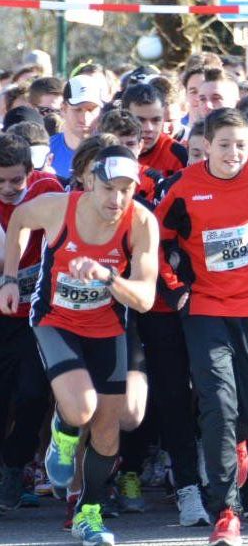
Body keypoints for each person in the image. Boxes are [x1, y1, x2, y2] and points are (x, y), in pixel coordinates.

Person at [154, 108, 248, 546]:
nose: (233, 153)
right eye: (224, 145)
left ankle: (238, 441)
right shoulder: (183, 187)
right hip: (204, 309)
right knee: (217, 404)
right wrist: (174, 288)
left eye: (240, 145)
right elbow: (155, 240)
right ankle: (226, 511)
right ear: (206, 145)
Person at [0, 145, 158, 546]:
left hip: (107, 326)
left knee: (107, 429)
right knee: (82, 407)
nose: (116, 199)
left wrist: (107, 277)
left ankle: (89, 513)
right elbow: (19, 219)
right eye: (108, 188)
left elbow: (144, 298)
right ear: (89, 182)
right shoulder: (58, 207)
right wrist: (9, 278)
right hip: (56, 320)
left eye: (126, 189)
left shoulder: (142, 222)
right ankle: (64, 431)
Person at [0, 134, 63, 511]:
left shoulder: (48, 190)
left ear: (30, 172)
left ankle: (15, 465)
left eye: (16, 180)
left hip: (35, 317)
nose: (8, 188)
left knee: (33, 394)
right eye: (0, 181)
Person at [122, 83, 187, 176]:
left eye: (156, 120)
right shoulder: (107, 148)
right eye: (140, 120)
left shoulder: (178, 155)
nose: (149, 128)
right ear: (124, 117)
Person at [49, 74, 106, 181]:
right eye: (78, 110)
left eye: (91, 110)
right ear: (63, 109)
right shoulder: (47, 150)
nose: (84, 118)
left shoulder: (109, 151)